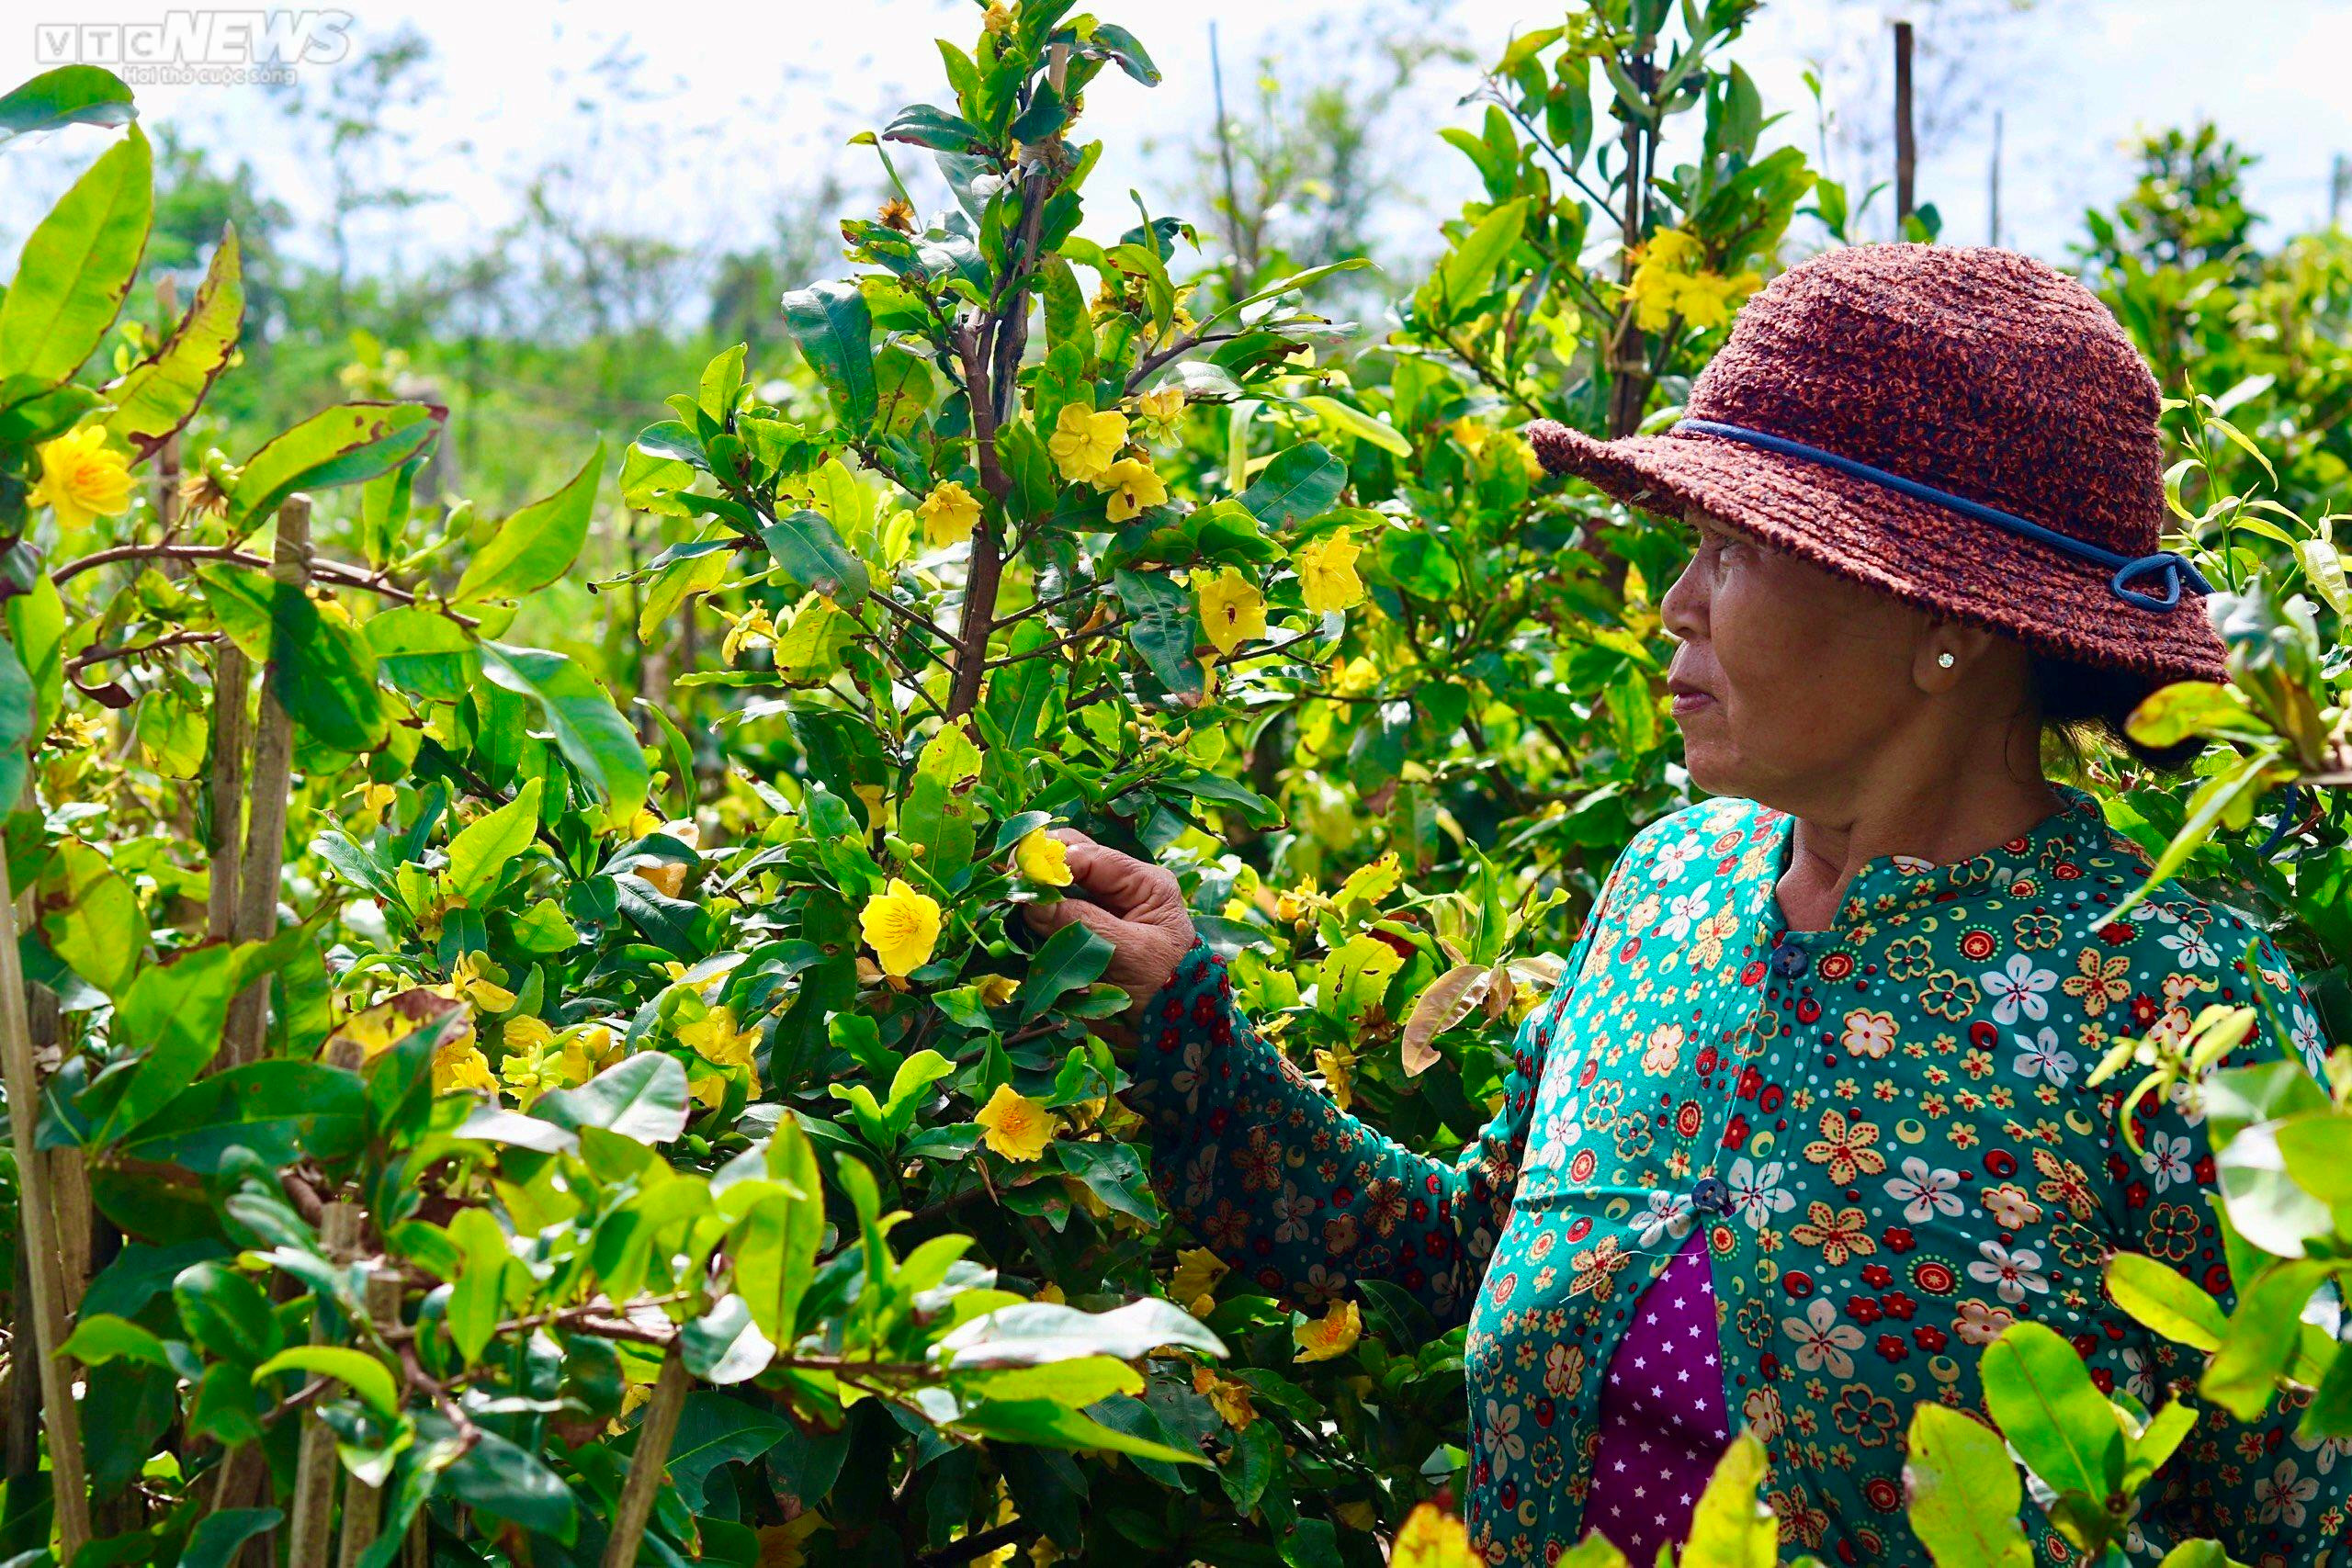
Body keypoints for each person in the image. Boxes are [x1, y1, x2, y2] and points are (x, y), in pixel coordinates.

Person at [1023, 245, 2345, 1566]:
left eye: (1733, 549)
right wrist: (1178, 1020)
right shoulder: (1672, 886)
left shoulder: (2187, 1010)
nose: (1676, 605)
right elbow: (1453, 1250)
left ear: (1947, 619)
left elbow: (2300, 1517)